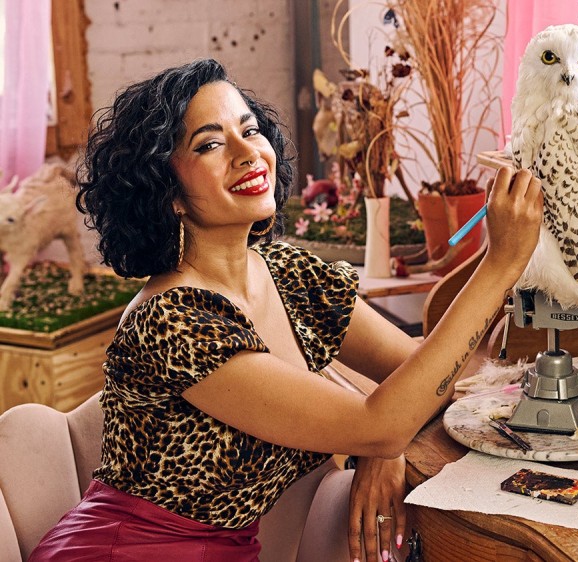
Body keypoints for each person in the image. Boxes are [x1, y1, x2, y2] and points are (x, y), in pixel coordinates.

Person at [29, 58, 542, 561]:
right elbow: (383, 419)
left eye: (250, 131)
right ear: (168, 194)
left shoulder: (287, 274)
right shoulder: (170, 322)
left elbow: (421, 372)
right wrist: (499, 265)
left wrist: (388, 446)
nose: (247, 153)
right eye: (209, 144)